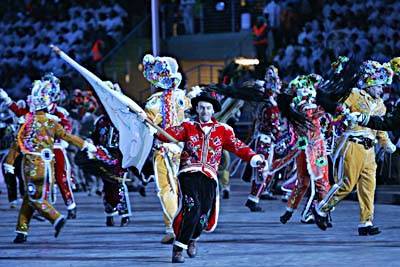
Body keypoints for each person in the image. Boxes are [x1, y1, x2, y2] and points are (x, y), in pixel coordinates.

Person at [156, 91, 266, 263]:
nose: (205, 111)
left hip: (209, 176)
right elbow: (165, 134)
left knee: (203, 214)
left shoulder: (223, 131)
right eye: (201, 108)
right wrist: (150, 125)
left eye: (208, 108)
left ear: (213, 110)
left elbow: (238, 147)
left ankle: (192, 239)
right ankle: (178, 249)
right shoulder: (188, 127)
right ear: (197, 109)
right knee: (192, 207)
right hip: (189, 173)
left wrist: (254, 157)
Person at [314, 60, 395, 235]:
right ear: (370, 81)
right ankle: (321, 208)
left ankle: (365, 223)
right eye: (380, 86)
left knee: (368, 187)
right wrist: (343, 112)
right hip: (352, 144)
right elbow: (336, 110)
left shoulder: (381, 105)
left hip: (370, 150)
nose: (382, 90)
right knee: (346, 184)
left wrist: (386, 144)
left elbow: (380, 127)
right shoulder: (354, 94)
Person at [12, 79, 97, 243]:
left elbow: (18, 143)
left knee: (52, 184)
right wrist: (85, 145)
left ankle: (58, 216)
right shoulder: (43, 120)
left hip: (43, 158)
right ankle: (21, 231)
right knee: (30, 196)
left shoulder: (41, 118)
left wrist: (9, 162)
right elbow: (68, 135)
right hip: (44, 158)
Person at [143, 54, 191, 244]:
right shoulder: (182, 97)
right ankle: (182, 224)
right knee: (181, 188)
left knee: (166, 190)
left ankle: (174, 227)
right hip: (182, 148)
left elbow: (147, 126)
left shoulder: (153, 102)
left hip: (164, 149)